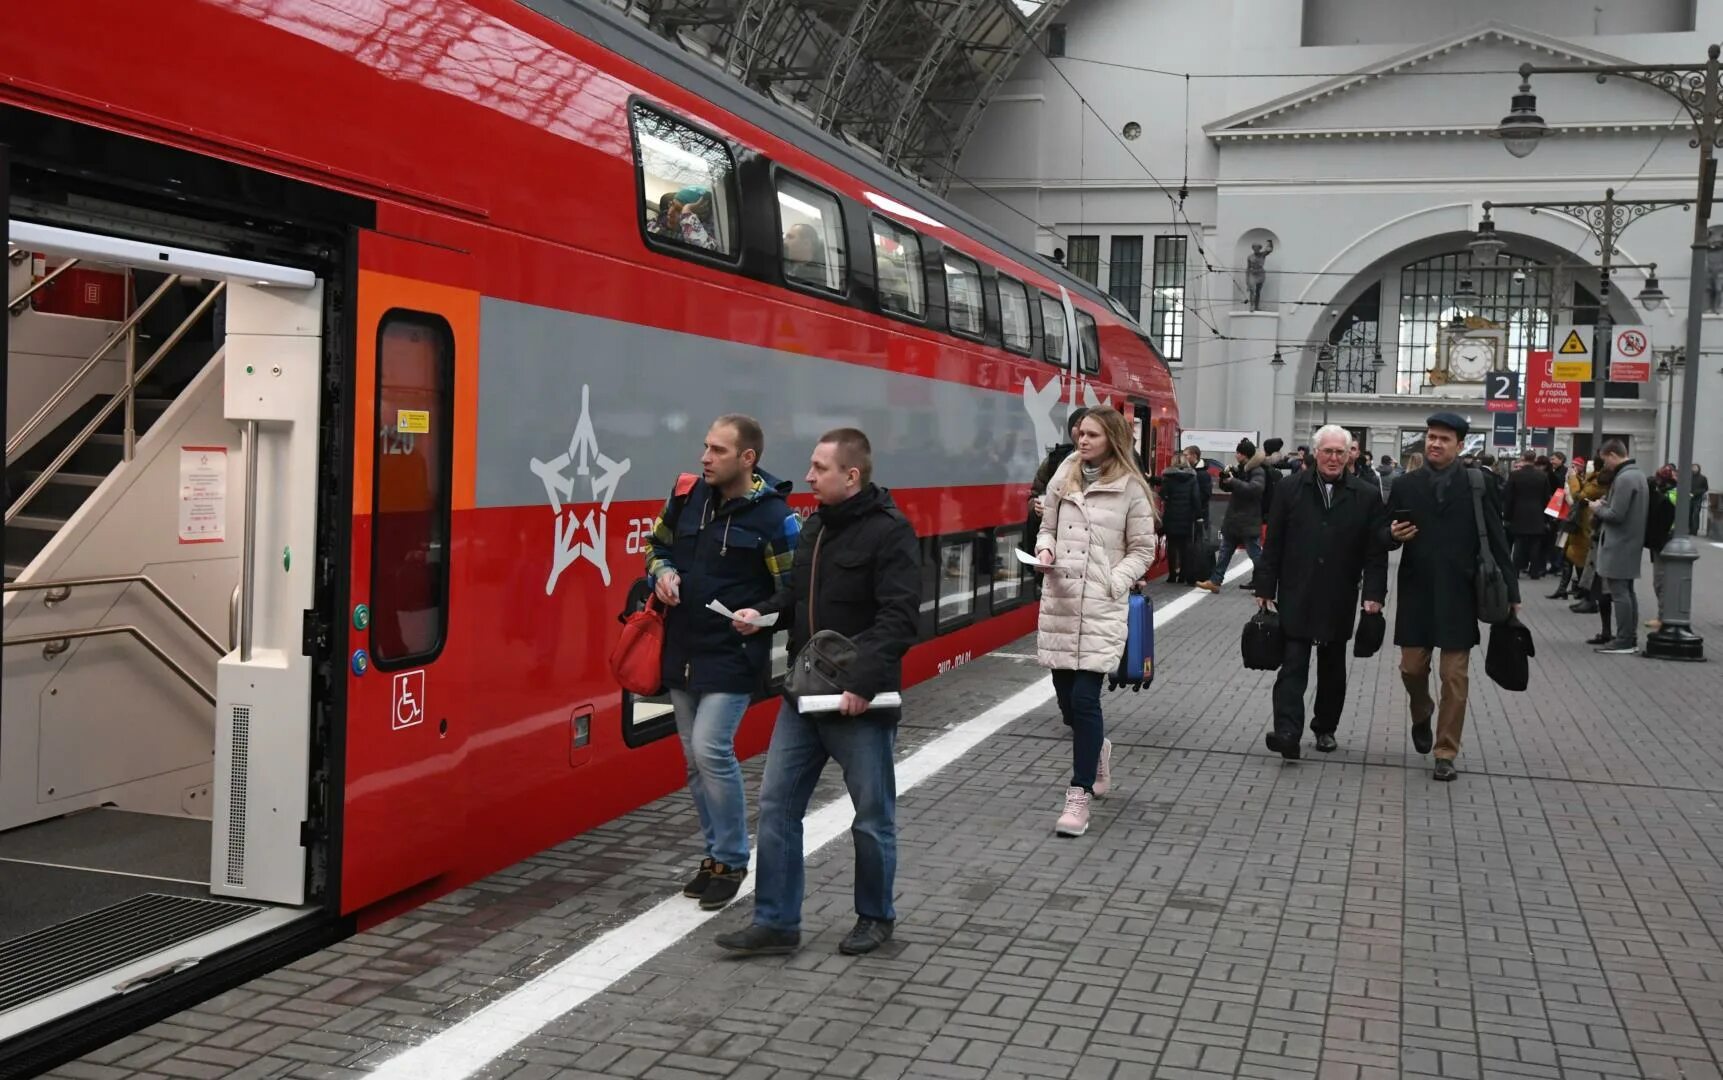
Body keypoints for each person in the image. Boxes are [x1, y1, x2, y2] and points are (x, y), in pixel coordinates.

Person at [718, 429, 920, 957]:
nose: (807, 476)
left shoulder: (890, 532)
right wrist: (761, 615)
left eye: (818, 468)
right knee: (777, 805)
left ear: (850, 476)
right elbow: (796, 596)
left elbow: (898, 619)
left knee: (872, 817)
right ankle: (776, 922)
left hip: (858, 704)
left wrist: (861, 682)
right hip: (803, 698)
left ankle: (875, 917)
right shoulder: (815, 531)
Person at [644, 416, 800, 911]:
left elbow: (792, 591)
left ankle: (733, 859)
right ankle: (713, 857)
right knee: (693, 760)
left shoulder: (776, 518)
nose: (704, 457)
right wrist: (662, 574)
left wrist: (764, 615)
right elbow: (656, 546)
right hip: (683, 649)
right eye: (705, 446)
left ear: (747, 458)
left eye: (717, 450)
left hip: (733, 653)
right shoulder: (686, 496)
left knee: (711, 750)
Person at [1034, 407, 1157, 836]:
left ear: (1112, 440)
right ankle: (1098, 749)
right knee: (1068, 704)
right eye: (1080, 434)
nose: (1081, 441)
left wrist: (1115, 582)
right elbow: (1045, 528)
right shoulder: (1062, 477)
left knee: (1086, 701)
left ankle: (1078, 796)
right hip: (1062, 602)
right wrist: (1045, 551)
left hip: (1102, 607)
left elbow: (1144, 549)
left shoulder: (1131, 489)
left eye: (1091, 435)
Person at [1386, 412, 1520, 782]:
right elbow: (1382, 533)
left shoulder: (1479, 484)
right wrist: (1392, 535)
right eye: (1431, 436)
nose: (1434, 443)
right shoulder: (1405, 485)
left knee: (1453, 677)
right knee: (1411, 669)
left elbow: (1497, 538)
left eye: (1444, 439)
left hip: (1460, 593)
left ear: (1460, 446)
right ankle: (1422, 708)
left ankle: (1446, 751)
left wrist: (1512, 592)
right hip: (1416, 591)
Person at [1255, 425, 1389, 759]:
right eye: (1327, 451)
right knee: (1293, 664)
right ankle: (1287, 731)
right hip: (1297, 589)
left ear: (1349, 456)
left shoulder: (1366, 494)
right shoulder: (1289, 488)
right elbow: (1274, 542)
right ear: (1316, 453)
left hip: (1339, 592)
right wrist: (1265, 586)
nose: (1332, 458)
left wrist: (1373, 595)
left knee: (1332, 668)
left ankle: (1325, 728)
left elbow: (1375, 552)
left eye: (1339, 453)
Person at [1586, 440, 1648, 655]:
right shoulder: (1638, 475)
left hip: (1619, 542)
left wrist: (1597, 508)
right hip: (1631, 541)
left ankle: (1624, 639)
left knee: (1619, 592)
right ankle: (1629, 637)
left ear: (1613, 455)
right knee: (1627, 591)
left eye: (1605, 460)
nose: (1605, 466)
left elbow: (1616, 515)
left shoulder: (1624, 478)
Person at [1197, 438, 1265, 593]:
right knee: (1224, 552)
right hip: (1235, 519)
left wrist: (1234, 481)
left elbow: (1255, 489)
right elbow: (1230, 488)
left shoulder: (1257, 470)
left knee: (1255, 554)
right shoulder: (1241, 469)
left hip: (1248, 519)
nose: (1235, 455)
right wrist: (1225, 480)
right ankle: (1215, 581)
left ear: (1244, 455)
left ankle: (1265, 582)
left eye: (1238, 453)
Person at [1504, 449, 1552, 580]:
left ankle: (1516, 570)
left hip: (1519, 513)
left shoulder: (1515, 475)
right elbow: (1546, 497)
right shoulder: (1542, 476)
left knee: (1519, 543)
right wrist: (1547, 517)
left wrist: (1507, 515)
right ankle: (1534, 571)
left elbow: (1509, 497)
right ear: (1535, 459)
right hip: (1537, 513)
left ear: (1523, 459)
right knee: (1535, 543)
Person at [1157, 453, 1203, 584]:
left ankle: (1172, 575)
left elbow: (1163, 494)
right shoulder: (1192, 477)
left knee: (1172, 545)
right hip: (1187, 516)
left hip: (1171, 515)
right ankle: (1183, 575)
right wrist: (1199, 515)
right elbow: (1196, 498)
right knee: (1186, 547)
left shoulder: (1167, 477)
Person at [1645, 464, 1679, 631]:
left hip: (1666, 541)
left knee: (1661, 581)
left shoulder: (1671, 496)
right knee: (1661, 581)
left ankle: (1664, 616)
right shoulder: (1669, 493)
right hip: (1664, 540)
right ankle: (1664, 615)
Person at [1183, 444, 1214, 536]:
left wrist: (1194, 505)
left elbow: (1205, 495)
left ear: (1194, 456)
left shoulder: (1202, 474)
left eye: (1186, 455)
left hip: (1198, 516)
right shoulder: (1189, 471)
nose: (1184, 458)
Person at [1693, 462, 1710, 536]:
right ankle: (1689, 529)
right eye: (1693, 467)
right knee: (1689, 513)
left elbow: (1705, 488)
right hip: (1689, 497)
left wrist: (1698, 492)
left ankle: (1694, 530)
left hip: (1698, 498)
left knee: (1696, 514)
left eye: (1695, 467)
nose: (1694, 469)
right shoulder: (1689, 477)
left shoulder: (1703, 478)